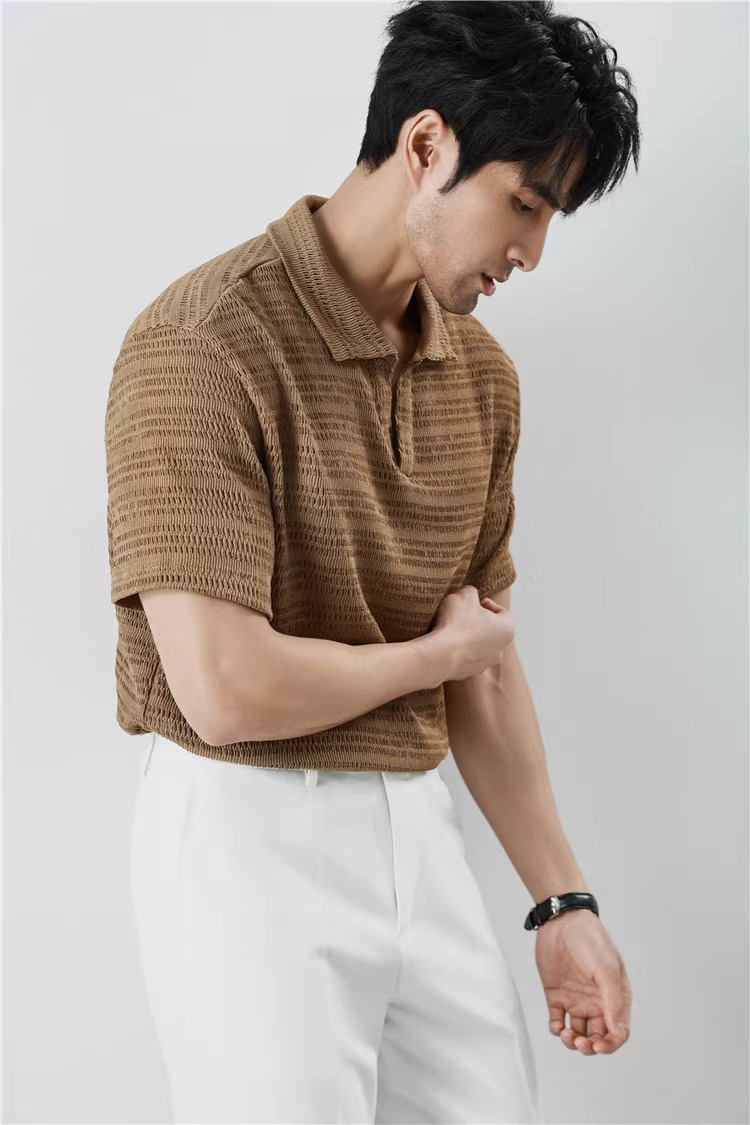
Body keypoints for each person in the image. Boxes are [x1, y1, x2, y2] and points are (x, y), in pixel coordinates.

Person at [105, 2, 638, 1121]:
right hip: (246, 831)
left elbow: (486, 662)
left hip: (417, 822)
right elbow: (225, 689)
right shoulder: (202, 344)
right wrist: (434, 657)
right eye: (525, 204)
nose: (533, 252)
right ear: (427, 144)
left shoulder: (481, 377)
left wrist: (563, 902)